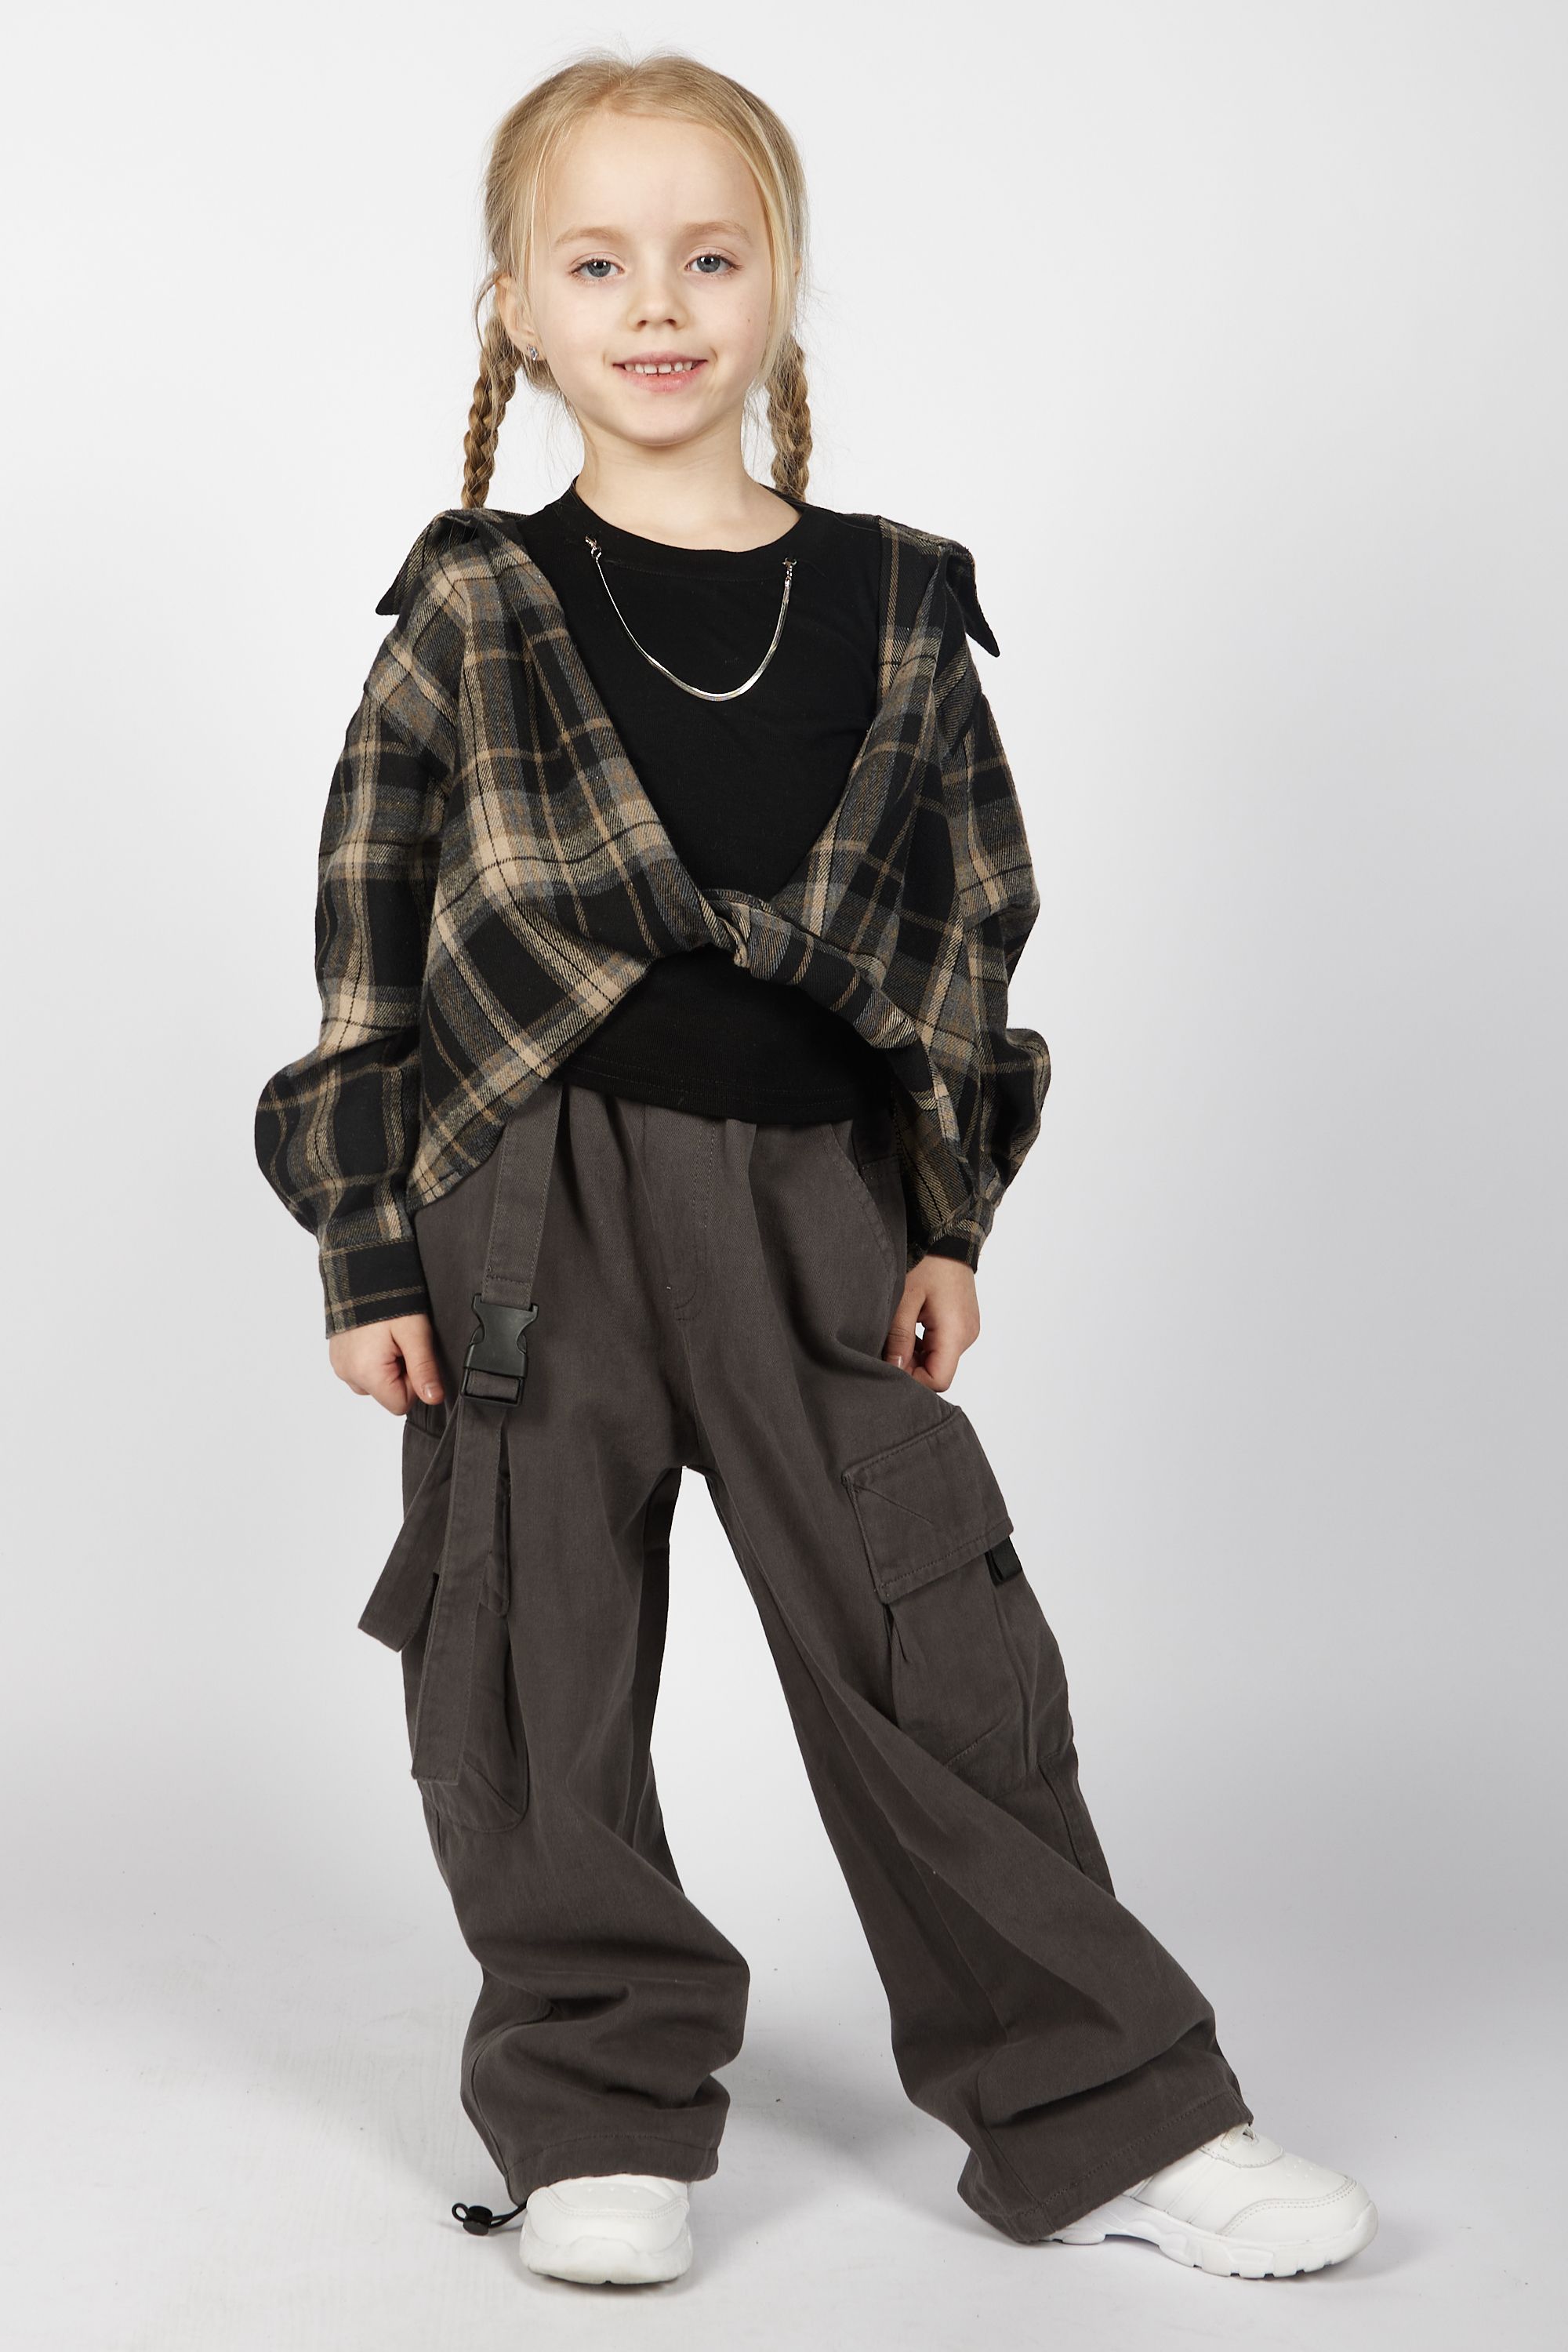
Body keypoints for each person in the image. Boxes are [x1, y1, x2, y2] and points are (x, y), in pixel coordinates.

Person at [253, 45, 1377, 2292]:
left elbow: (969, 931)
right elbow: (368, 947)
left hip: (817, 1206)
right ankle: (594, 2106)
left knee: (932, 1645)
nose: (657, 305)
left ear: (778, 286)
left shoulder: (893, 600)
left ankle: (1105, 2106)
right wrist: (368, 1252)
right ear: (516, 309)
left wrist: (947, 1215)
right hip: (525, 1209)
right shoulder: (470, 605)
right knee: (532, 1654)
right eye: (597, 264)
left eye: (709, 255)